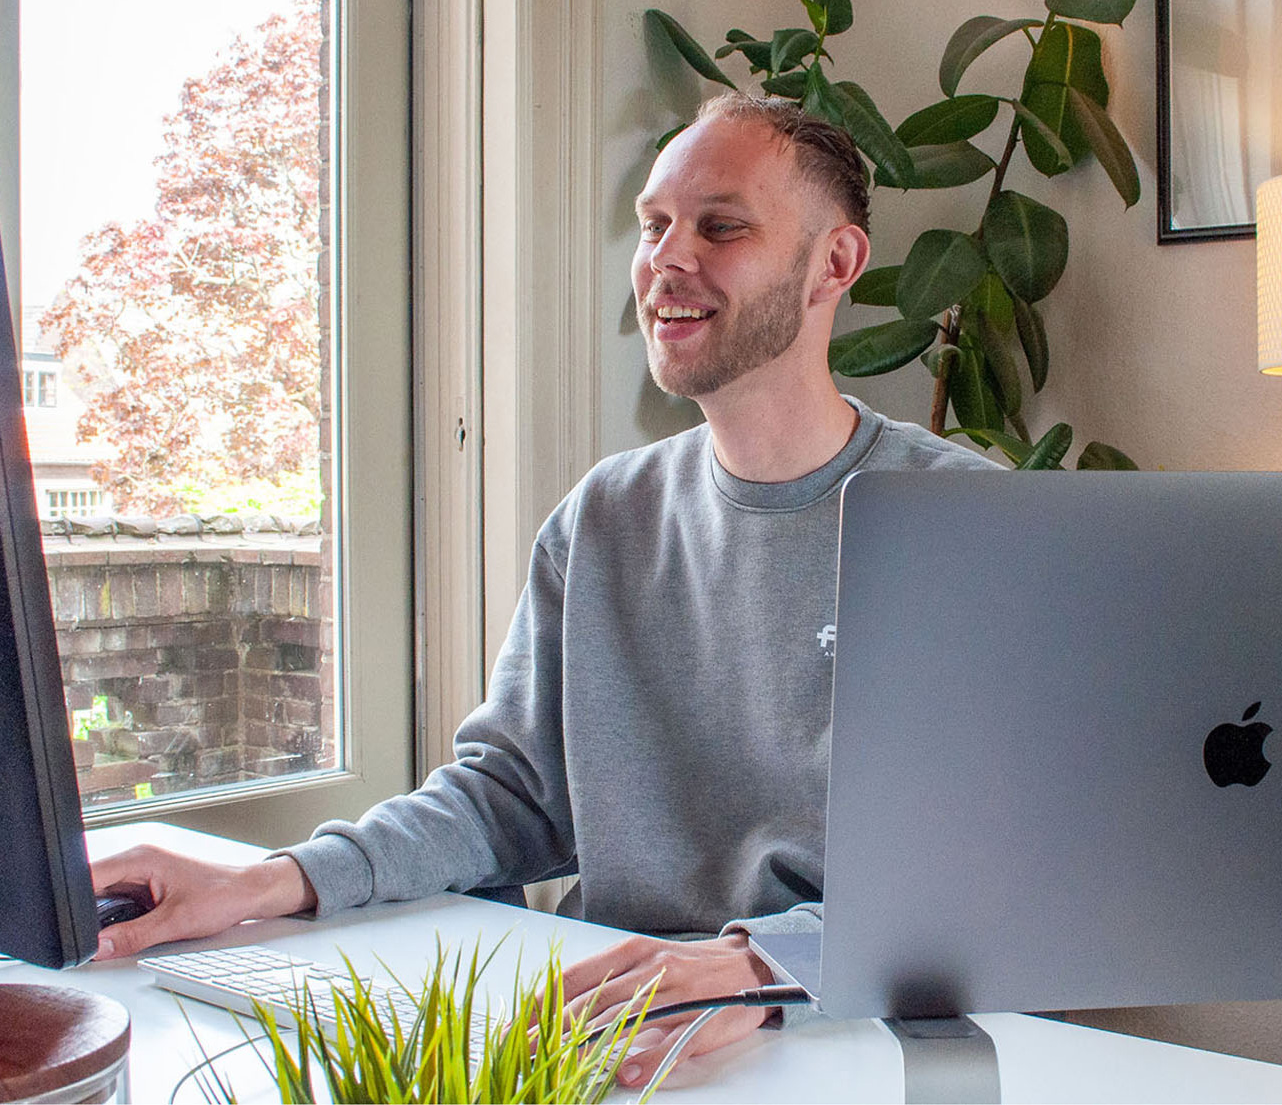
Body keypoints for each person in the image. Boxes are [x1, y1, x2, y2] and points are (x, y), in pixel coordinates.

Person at [90, 91, 999, 1084]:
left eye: (720, 226)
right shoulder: (603, 516)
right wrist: (272, 880)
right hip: (599, 1027)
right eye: (654, 225)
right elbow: (504, 800)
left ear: (835, 263)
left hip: (837, 1041)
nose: (666, 259)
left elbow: (991, 869)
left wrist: (761, 964)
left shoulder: (962, 523)